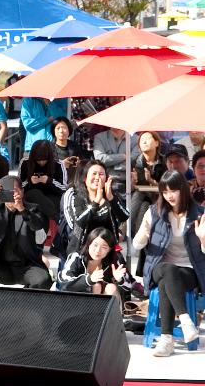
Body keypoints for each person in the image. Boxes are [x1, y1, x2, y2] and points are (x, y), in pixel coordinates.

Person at [132, 171, 205, 356]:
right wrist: (143, 234)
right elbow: (136, 245)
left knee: (167, 281)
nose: (169, 196)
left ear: (183, 189)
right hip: (158, 266)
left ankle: (166, 340)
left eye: (173, 190)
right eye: (165, 192)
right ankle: (185, 320)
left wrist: (203, 239)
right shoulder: (154, 212)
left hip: (189, 270)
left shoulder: (199, 214)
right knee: (167, 269)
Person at [0, 175, 51, 289]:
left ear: (22, 191)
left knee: (43, 280)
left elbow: (37, 225)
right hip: (1, 264)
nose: (11, 196)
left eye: (14, 191)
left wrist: (22, 209)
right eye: (6, 192)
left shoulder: (32, 208)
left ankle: (27, 298)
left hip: (26, 266)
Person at [63, 161, 129, 254]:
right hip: (82, 250)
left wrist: (111, 198)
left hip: (107, 250)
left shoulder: (111, 196)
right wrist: (96, 202)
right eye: (94, 174)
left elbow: (124, 216)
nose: (97, 177)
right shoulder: (76, 197)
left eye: (101, 174)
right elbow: (78, 222)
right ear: (85, 178)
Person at [57, 227, 132, 297]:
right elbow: (64, 282)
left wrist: (119, 280)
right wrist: (89, 280)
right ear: (89, 244)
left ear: (109, 250)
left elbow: (129, 286)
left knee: (111, 288)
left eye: (104, 247)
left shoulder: (114, 261)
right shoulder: (76, 257)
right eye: (95, 245)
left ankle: (109, 311)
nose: (98, 251)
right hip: (78, 302)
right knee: (96, 286)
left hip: (105, 303)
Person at [128, 130, 166, 235]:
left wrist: (151, 181)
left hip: (159, 197)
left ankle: (124, 229)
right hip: (142, 199)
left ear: (157, 143)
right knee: (143, 205)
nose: (144, 142)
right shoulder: (135, 162)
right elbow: (131, 189)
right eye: (142, 140)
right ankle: (138, 243)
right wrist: (132, 182)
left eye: (148, 139)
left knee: (139, 194)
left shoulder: (164, 162)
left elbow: (166, 188)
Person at [18, 139, 66, 221]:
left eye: (44, 160)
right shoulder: (25, 163)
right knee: (35, 193)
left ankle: (53, 220)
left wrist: (49, 181)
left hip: (52, 198)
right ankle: (57, 218)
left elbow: (64, 188)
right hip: (31, 199)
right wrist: (30, 181)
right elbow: (19, 186)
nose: (41, 162)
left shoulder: (58, 164)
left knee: (49, 203)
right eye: (38, 160)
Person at [92, 127, 128, 197]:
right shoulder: (100, 137)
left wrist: (111, 162)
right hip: (106, 182)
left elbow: (133, 159)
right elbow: (100, 159)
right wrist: (124, 156)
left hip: (128, 183)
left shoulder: (134, 139)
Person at [50, 117, 83, 184]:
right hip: (55, 183)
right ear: (54, 131)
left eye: (64, 128)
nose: (61, 131)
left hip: (73, 182)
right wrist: (61, 165)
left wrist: (80, 163)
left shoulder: (75, 146)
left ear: (69, 130)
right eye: (58, 128)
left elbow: (83, 163)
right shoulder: (48, 148)